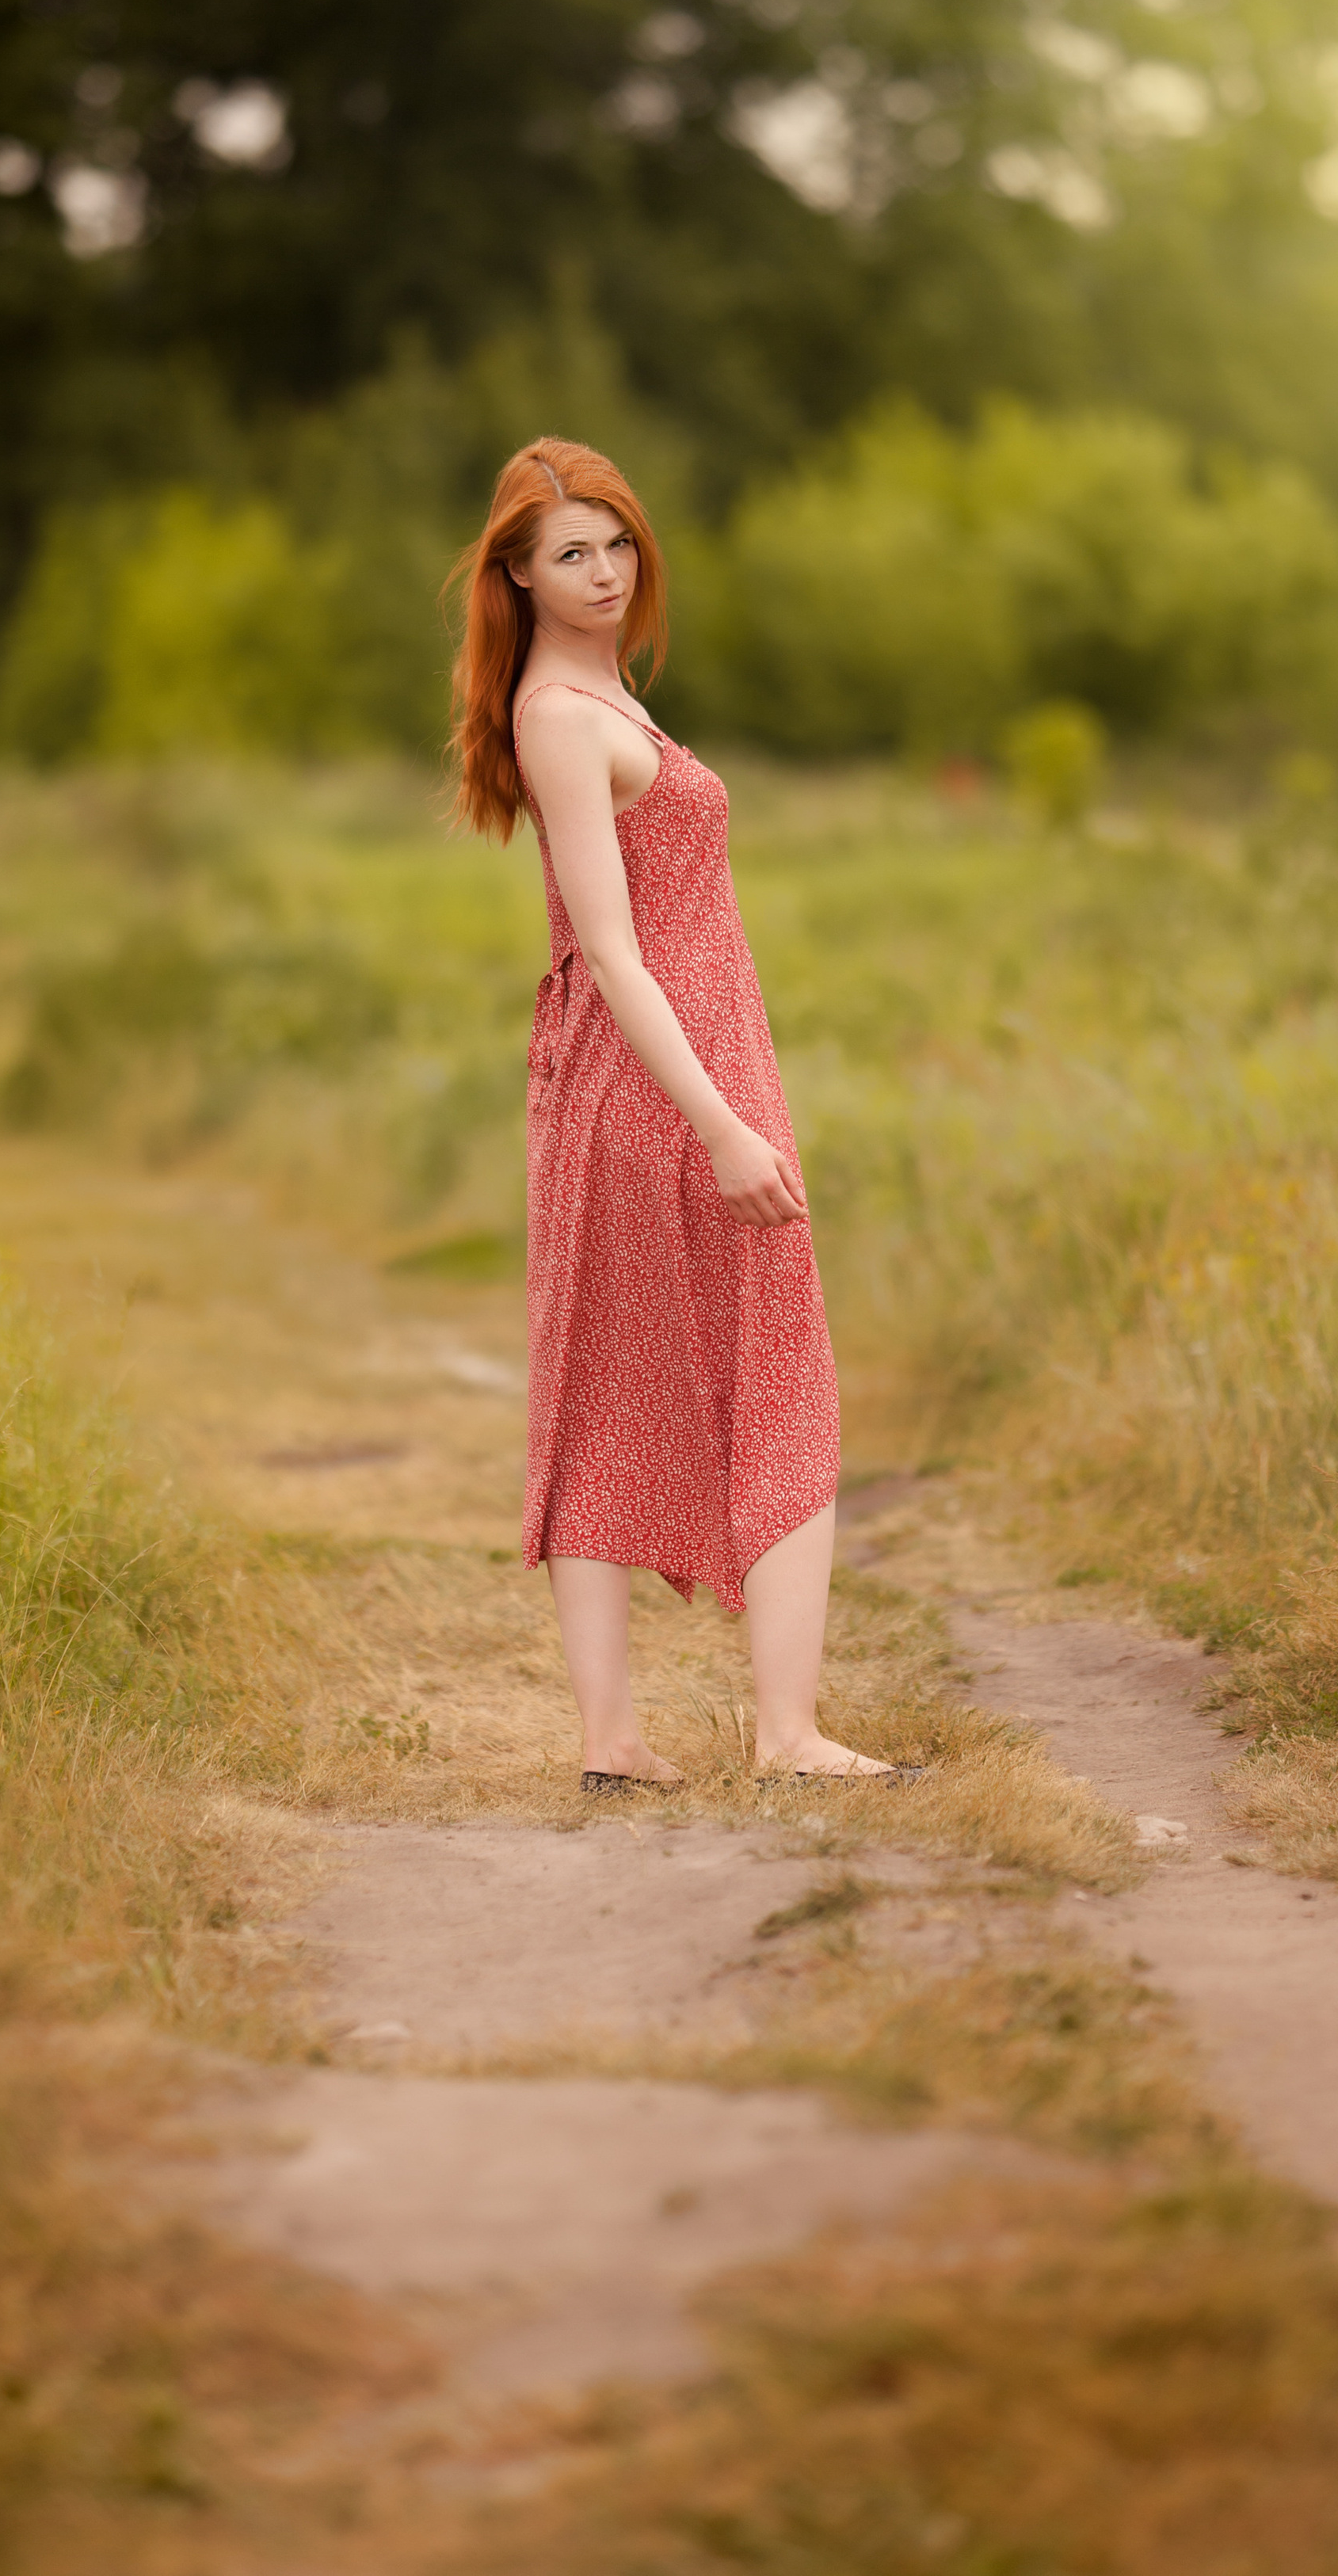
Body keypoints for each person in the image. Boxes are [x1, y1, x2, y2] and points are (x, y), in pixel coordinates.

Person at [448, 435, 911, 1790]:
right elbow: (609, 947)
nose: (603, 573)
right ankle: (785, 1733)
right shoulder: (559, 715)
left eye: (617, 545)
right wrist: (719, 1124)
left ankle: (619, 1744)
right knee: (776, 1370)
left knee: (609, 1382)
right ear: (518, 577)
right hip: (663, 1084)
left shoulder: (604, 698)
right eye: (569, 555)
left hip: (658, 1077)